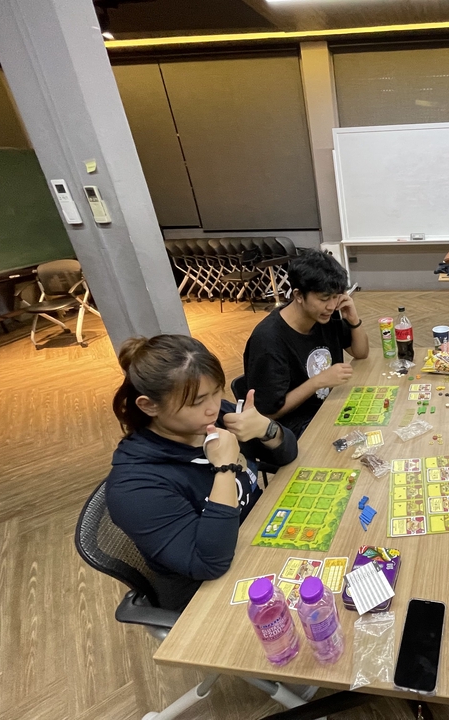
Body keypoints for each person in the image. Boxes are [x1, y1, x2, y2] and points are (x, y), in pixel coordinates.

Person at [105, 334, 298, 611]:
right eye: (197, 402)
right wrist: (225, 469)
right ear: (149, 406)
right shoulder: (133, 487)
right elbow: (210, 562)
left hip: (256, 538)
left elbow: (286, 454)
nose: (213, 408)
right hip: (204, 595)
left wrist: (266, 429)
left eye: (217, 392)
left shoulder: (214, 419)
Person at [244, 249, 369, 437]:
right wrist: (317, 382)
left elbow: (361, 353)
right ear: (299, 295)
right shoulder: (268, 340)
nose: (332, 306)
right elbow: (268, 412)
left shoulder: (326, 316)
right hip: (295, 429)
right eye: (324, 299)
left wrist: (353, 319)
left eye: (336, 296)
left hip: (331, 407)